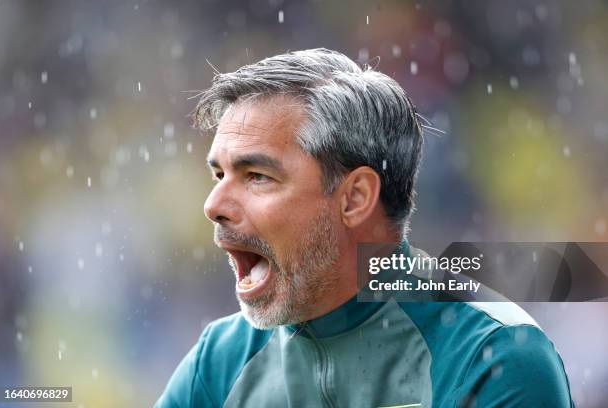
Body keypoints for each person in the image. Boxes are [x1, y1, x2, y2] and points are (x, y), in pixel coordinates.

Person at [155, 48, 573, 407]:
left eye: (257, 176)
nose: (214, 206)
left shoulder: (492, 359)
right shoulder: (219, 362)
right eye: (219, 176)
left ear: (355, 198)